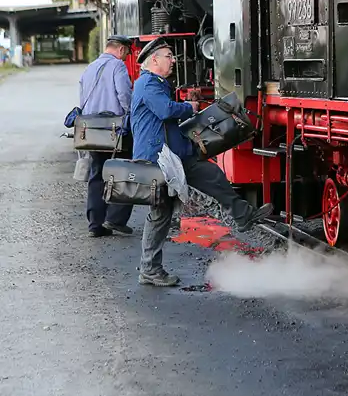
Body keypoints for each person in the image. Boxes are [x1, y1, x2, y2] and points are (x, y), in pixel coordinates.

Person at [131, 37, 273, 287]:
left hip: (174, 155)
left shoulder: (155, 82)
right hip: (159, 159)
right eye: (168, 56)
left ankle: (242, 215)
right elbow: (165, 111)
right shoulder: (148, 83)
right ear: (154, 60)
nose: (172, 60)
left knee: (212, 176)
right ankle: (149, 269)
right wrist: (189, 106)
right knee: (160, 212)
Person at [79, 35, 135, 238]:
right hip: (115, 130)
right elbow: (124, 95)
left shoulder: (89, 68)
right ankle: (116, 219)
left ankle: (95, 224)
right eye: (127, 52)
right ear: (121, 50)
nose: (127, 56)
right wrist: (131, 115)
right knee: (125, 170)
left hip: (92, 130)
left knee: (97, 174)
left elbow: (82, 98)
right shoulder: (117, 66)